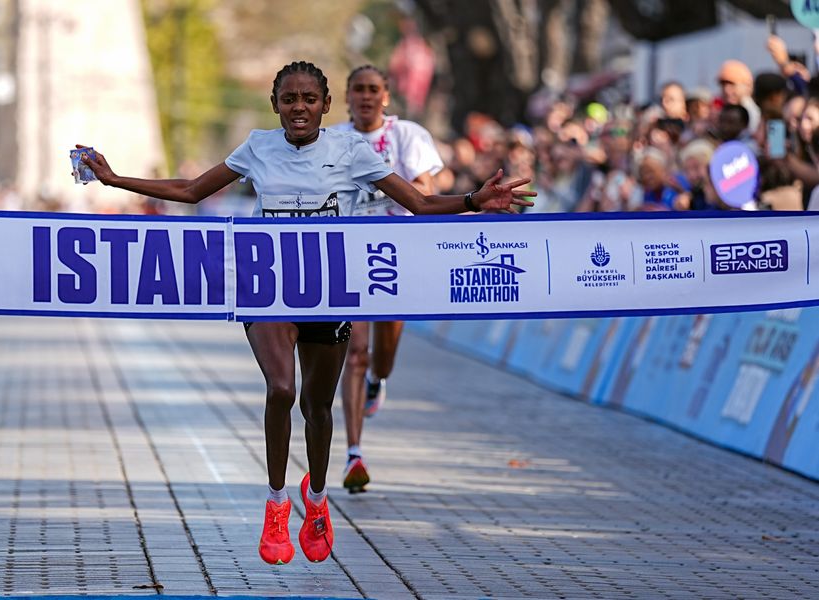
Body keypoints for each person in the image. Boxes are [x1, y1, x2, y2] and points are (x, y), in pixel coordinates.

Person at [78, 61, 535, 566]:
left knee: (317, 409)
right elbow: (191, 190)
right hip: (267, 288)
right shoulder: (258, 147)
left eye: (309, 99)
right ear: (275, 105)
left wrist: (474, 199)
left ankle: (316, 499)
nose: (299, 108)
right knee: (281, 389)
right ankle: (276, 505)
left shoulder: (350, 150)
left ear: (325, 105)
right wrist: (114, 180)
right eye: (289, 99)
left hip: (327, 291)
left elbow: (419, 204)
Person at [329, 65, 444, 494]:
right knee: (355, 352)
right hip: (351, 253)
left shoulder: (407, 135)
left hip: (398, 252)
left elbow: (426, 191)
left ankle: (379, 380)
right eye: (357, 89)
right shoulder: (332, 139)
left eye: (373, 89)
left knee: (384, 352)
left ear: (386, 96)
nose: (365, 96)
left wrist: (386, 185)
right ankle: (354, 453)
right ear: (346, 97)